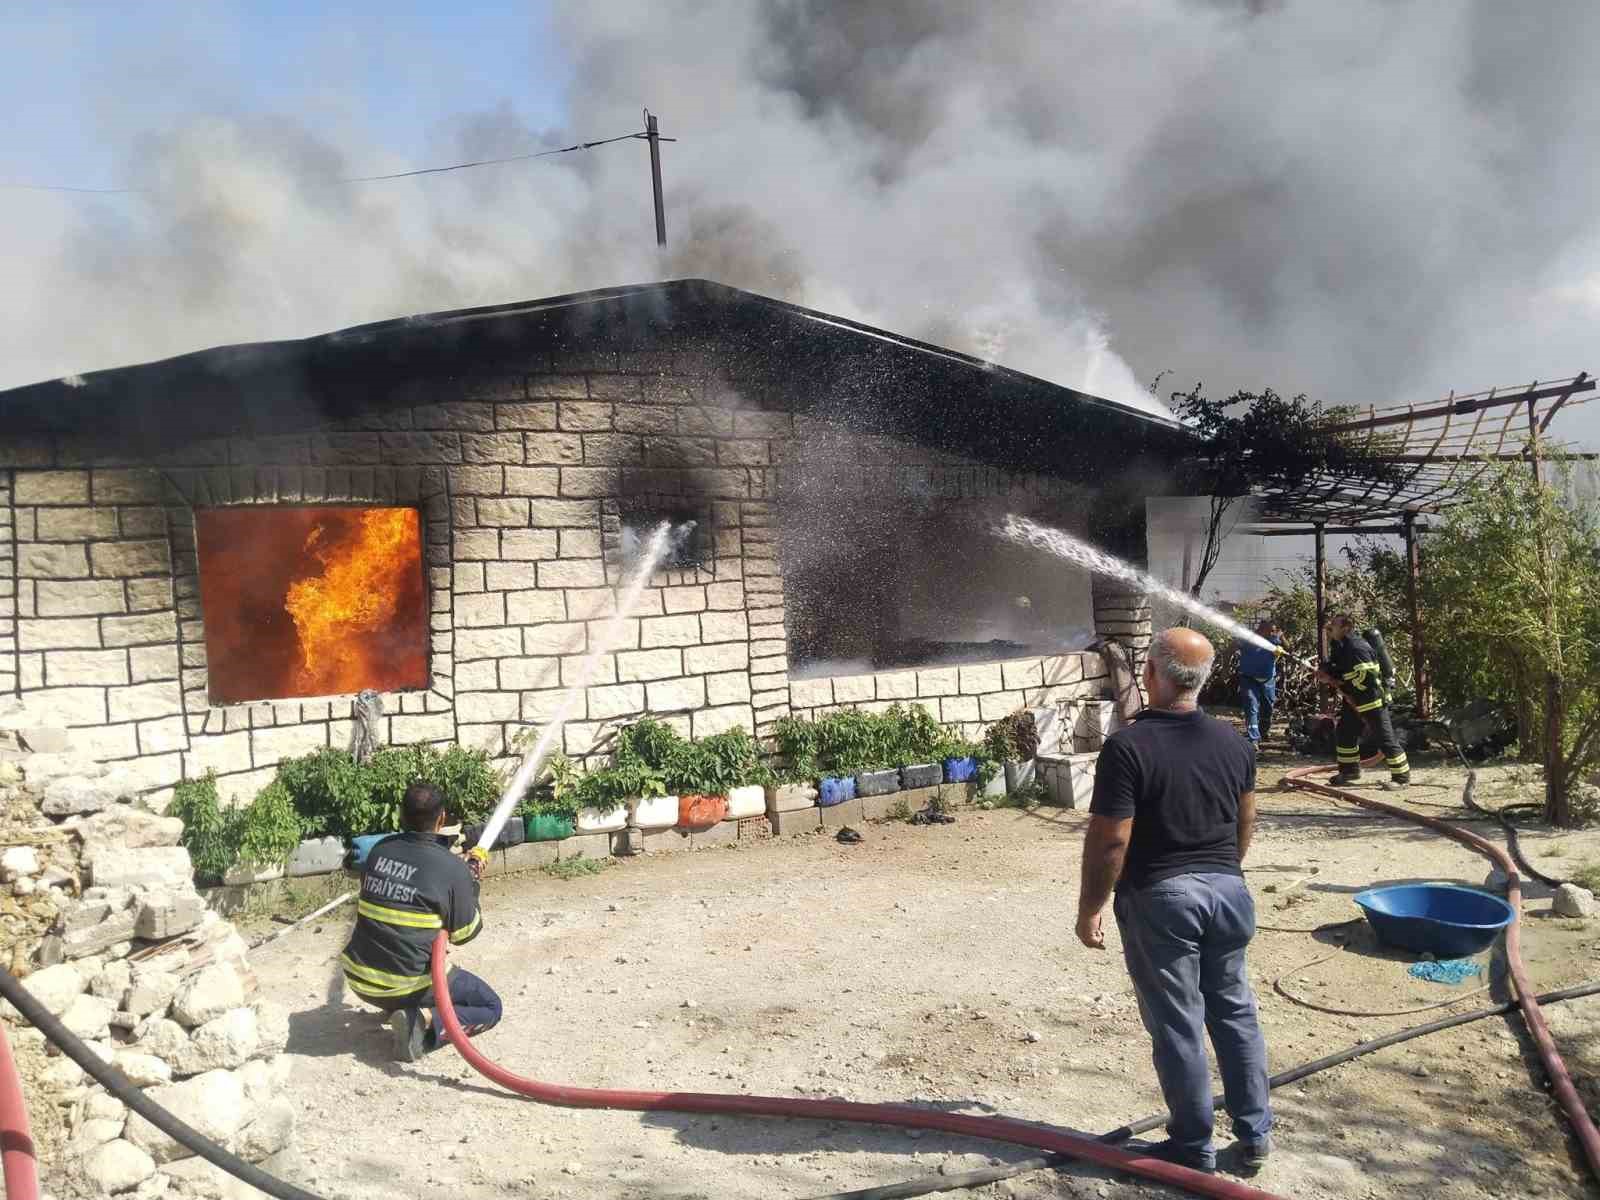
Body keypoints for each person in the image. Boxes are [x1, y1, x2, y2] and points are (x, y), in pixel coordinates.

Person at [1075, 627, 1271, 1175]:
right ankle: (1255, 1134)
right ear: (1203, 680)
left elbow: (1112, 837)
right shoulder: (1235, 742)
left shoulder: (1128, 747)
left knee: (1179, 1023)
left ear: (1152, 675)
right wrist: (1226, 871)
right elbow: (1246, 817)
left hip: (1163, 900)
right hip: (1229, 891)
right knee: (1235, 1014)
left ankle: (1192, 1146)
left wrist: (1091, 907)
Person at [341, 781, 503, 1061]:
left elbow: (416, 880)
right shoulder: (452, 870)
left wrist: (462, 876)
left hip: (359, 979)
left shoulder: (380, 850)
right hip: (403, 986)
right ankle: (421, 1025)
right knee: (489, 1006)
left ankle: (405, 1010)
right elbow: (465, 933)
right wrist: (470, 885)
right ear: (442, 818)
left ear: (400, 815)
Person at [1315, 614, 1409, 789]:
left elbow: (1366, 677)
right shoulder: (1340, 645)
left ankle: (1401, 778)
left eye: (1334, 625)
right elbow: (1336, 664)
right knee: (1345, 733)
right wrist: (1325, 670)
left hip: (1371, 700)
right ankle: (1350, 771)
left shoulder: (1357, 647)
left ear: (1346, 627)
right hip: (1354, 699)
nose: (1330, 627)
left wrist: (1337, 680)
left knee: (1384, 738)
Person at [1235, 619, 1284, 750]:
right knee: (1251, 705)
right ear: (1262, 629)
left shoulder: (1274, 639)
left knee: (1268, 707)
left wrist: (1281, 643)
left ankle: (1264, 732)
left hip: (1268, 679)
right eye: (1271, 630)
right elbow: (1230, 649)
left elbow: (1288, 648)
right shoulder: (1247, 639)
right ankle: (1253, 738)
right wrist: (1225, 668)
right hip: (1248, 678)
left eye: (1274, 630)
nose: (1273, 632)